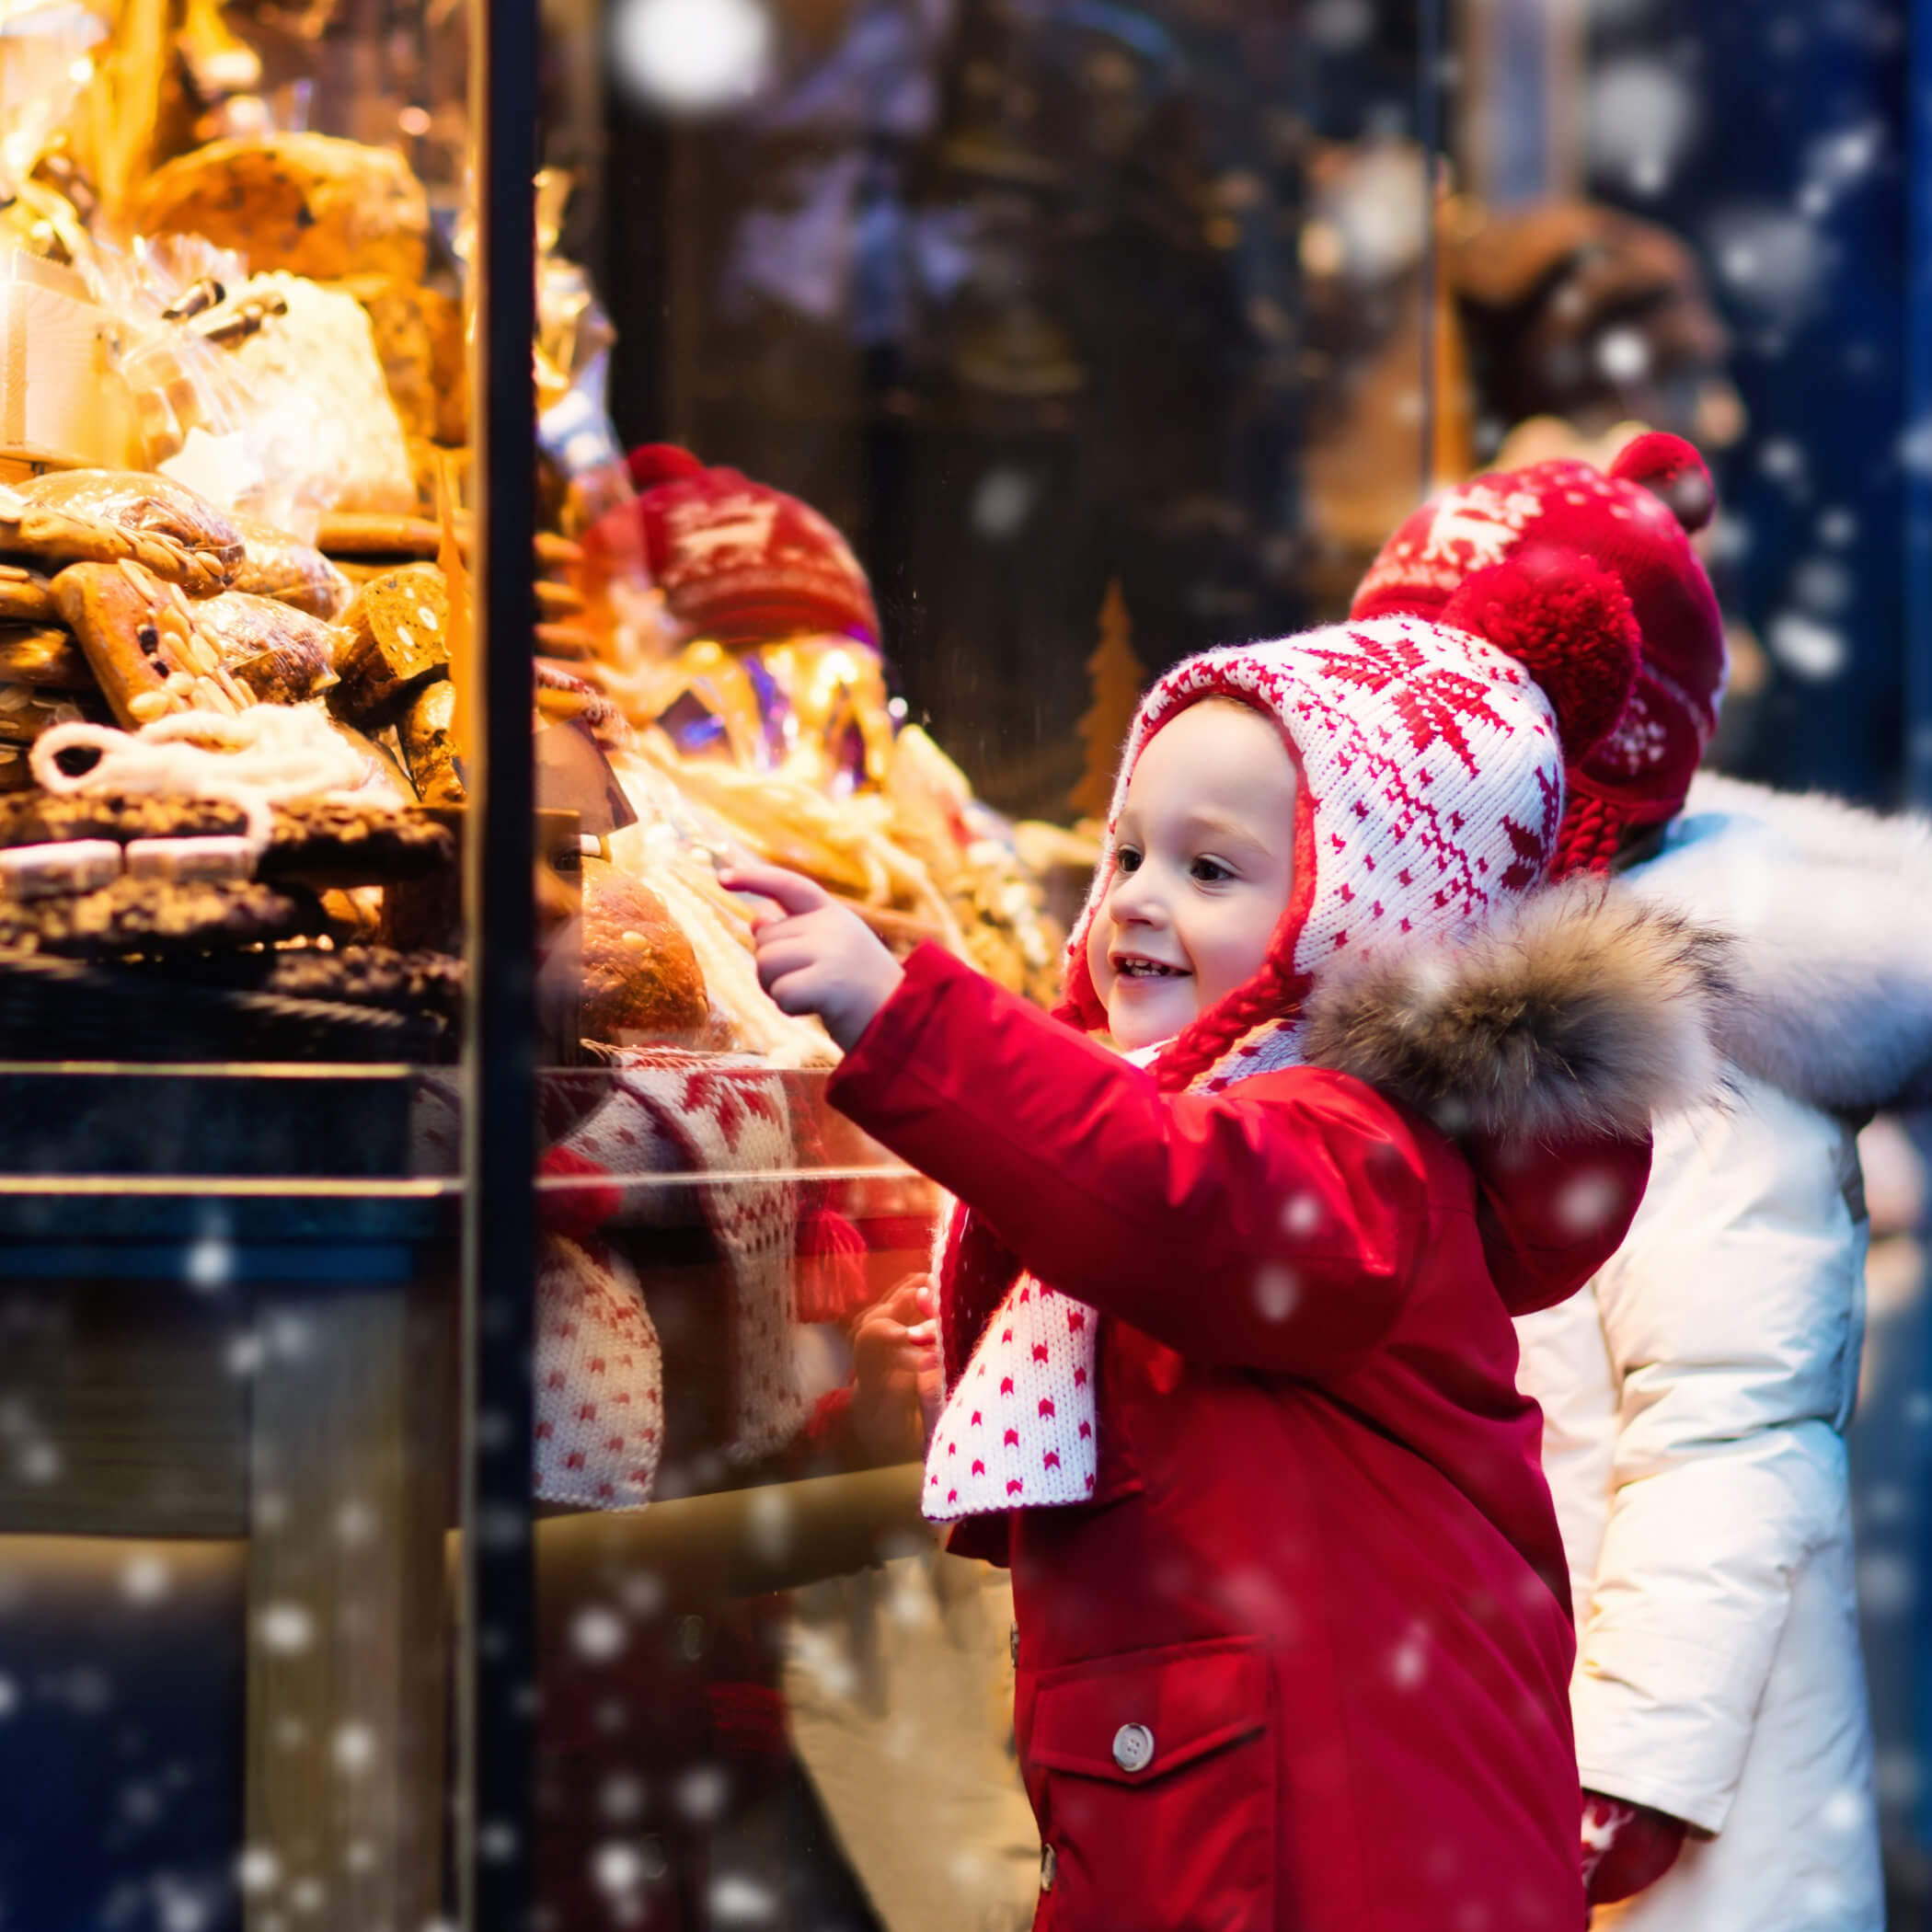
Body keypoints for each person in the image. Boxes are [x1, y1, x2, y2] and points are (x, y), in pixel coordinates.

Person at [718, 575, 1723, 1928]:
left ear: (1365, 917)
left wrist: (908, 1018)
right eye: (1127, 853)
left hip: (1343, 1839)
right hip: (1222, 1808)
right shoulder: (1247, 1143)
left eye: (1210, 869)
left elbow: (1166, 1196)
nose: (1133, 899)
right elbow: (1143, 1264)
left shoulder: (1352, 1149)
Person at [1350, 434, 1889, 1926]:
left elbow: (1738, 1420)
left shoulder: (1689, 1028)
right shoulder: (1445, 991)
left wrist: (1632, 1766)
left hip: (1658, 1788)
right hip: (1493, 1718)